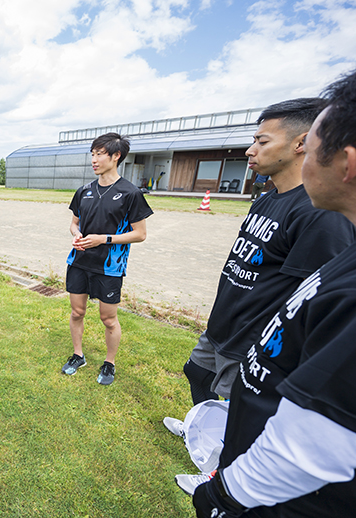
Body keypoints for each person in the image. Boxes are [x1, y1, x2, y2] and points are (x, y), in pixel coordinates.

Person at [179, 69, 356, 518]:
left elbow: (305, 301)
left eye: (261, 141)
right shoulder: (266, 198)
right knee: (198, 375)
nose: (249, 150)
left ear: (302, 146)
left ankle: (218, 466)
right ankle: (207, 428)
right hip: (222, 326)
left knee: (240, 407)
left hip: (250, 340)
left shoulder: (320, 216)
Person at [61, 132, 153, 385]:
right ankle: (78, 355)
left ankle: (109, 363)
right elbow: (74, 223)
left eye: (99, 154)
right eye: (92, 154)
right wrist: (77, 235)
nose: (94, 159)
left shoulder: (130, 193)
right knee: (77, 311)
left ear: (116, 156)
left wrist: (104, 239)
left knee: (108, 318)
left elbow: (140, 234)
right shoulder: (84, 191)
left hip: (110, 266)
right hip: (79, 262)